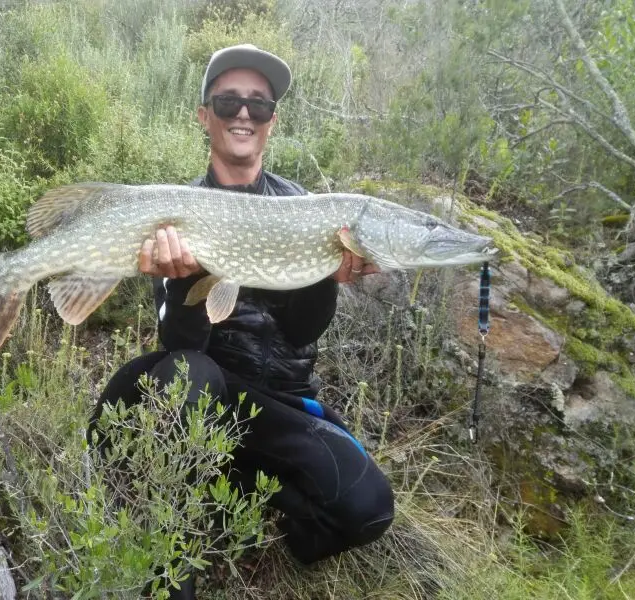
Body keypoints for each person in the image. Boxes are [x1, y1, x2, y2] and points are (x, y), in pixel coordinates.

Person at [87, 44, 395, 599]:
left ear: (273, 120)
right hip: (200, 393)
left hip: (275, 406)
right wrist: (184, 279)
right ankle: (170, 572)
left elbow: (301, 334)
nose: (244, 114)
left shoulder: (306, 208)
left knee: (369, 507)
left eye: (260, 104)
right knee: (190, 372)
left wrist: (324, 275)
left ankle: (243, 508)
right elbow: (180, 344)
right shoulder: (178, 212)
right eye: (229, 101)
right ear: (204, 115)